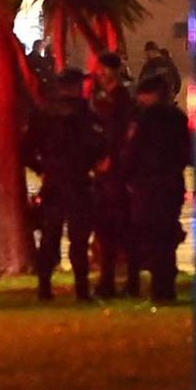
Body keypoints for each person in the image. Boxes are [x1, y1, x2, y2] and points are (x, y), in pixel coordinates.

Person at [23, 68, 107, 301]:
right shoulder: (85, 115)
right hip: (78, 182)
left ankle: (44, 288)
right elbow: (100, 146)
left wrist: (43, 170)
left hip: (54, 183)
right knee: (79, 239)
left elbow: (26, 150)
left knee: (50, 236)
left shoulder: (43, 114)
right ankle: (82, 289)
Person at [125, 73, 191, 302]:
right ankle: (166, 287)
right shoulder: (178, 119)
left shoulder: (144, 120)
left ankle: (157, 287)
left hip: (147, 186)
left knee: (151, 236)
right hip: (171, 184)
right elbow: (187, 153)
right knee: (166, 235)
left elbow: (133, 152)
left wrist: (128, 177)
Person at [87, 51, 136, 298]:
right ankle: (114, 280)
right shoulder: (107, 99)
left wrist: (109, 160)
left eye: (102, 71)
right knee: (110, 228)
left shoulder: (120, 100)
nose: (99, 75)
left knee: (113, 228)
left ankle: (114, 281)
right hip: (110, 172)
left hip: (114, 175)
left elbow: (118, 135)